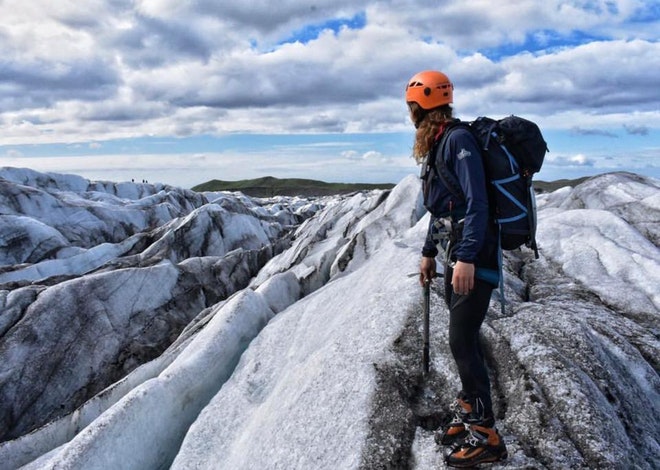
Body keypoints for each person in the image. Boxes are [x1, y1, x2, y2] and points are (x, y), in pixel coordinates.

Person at [405, 70, 508, 467]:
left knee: (462, 340)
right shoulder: (440, 142)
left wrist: (465, 257)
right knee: (462, 338)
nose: (410, 113)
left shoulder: (459, 141)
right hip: (456, 250)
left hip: (473, 253)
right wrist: (430, 252)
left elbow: (477, 202)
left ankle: (487, 436)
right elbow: (443, 206)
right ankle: (469, 410)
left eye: (412, 106)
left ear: (423, 105)